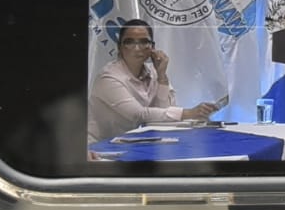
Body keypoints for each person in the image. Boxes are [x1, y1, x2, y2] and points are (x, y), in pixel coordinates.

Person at [86, 19, 218, 143]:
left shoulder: (153, 71)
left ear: (152, 47)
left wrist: (162, 76)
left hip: (135, 143)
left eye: (144, 42)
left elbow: (163, 113)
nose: (137, 48)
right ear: (119, 47)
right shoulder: (109, 77)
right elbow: (138, 115)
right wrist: (188, 113)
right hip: (99, 147)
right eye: (130, 42)